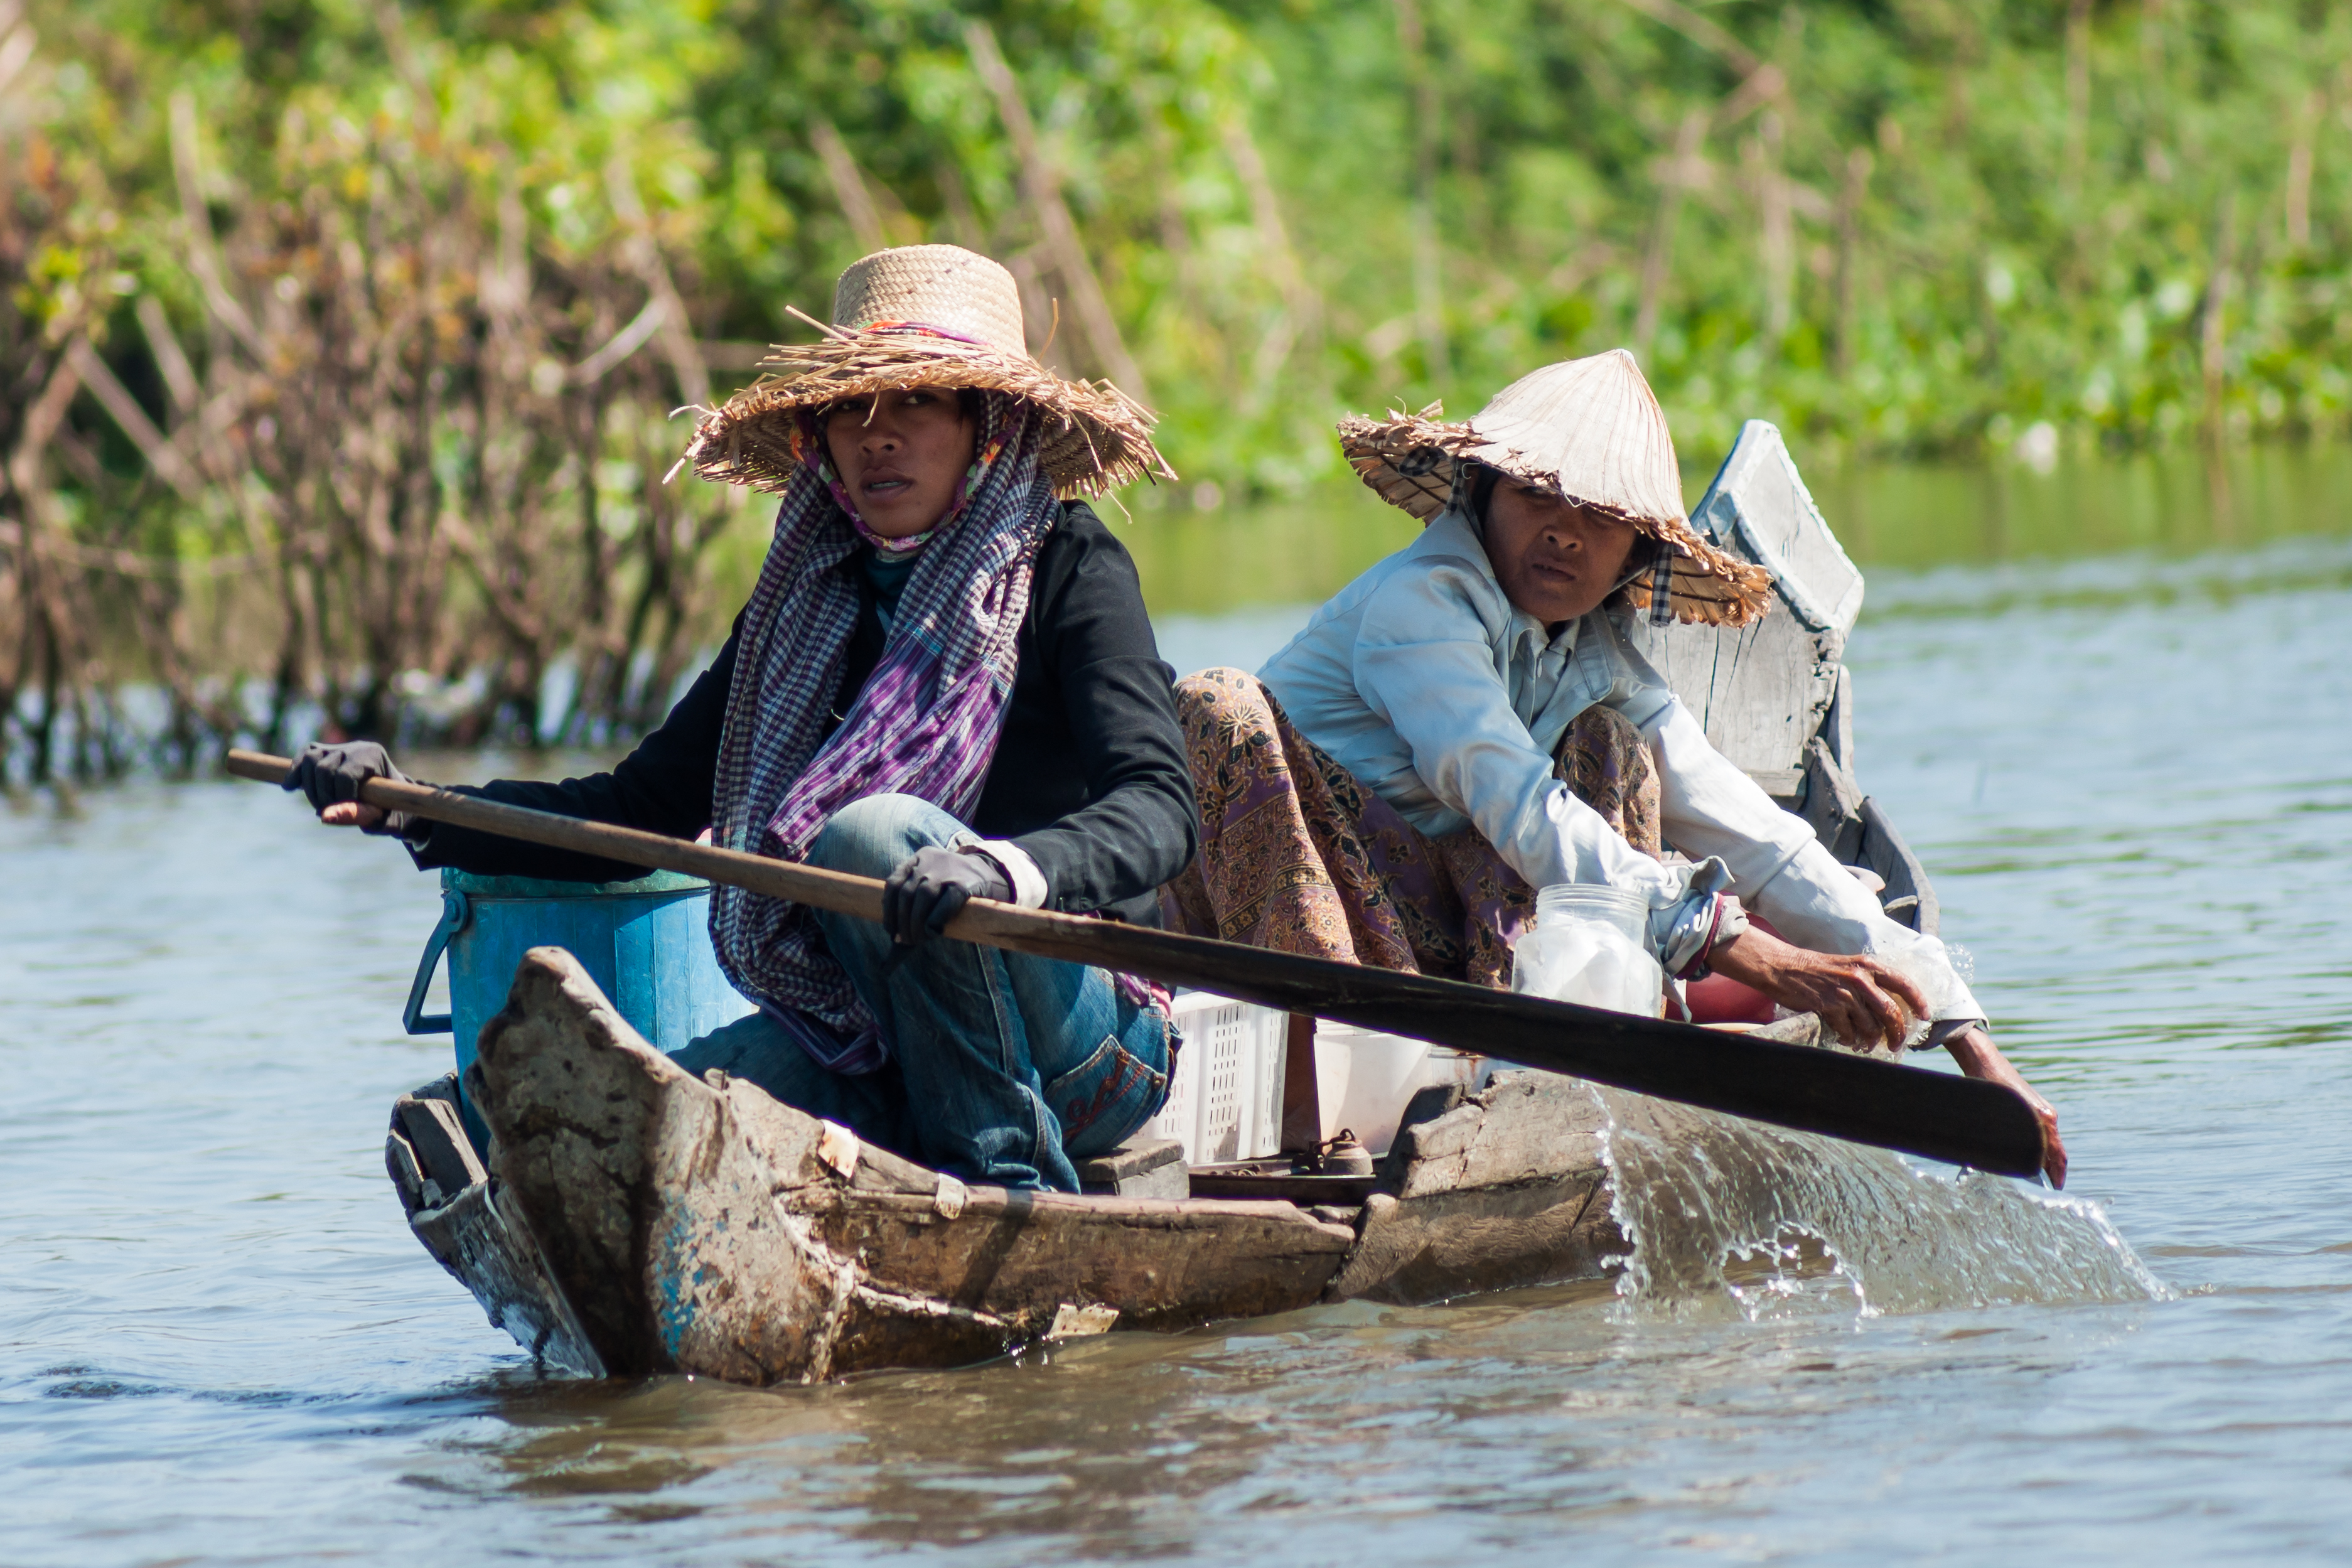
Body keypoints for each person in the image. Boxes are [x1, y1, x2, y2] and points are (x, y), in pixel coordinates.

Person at [284, 244, 1196, 1193]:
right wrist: (414, 802)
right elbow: (637, 810)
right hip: (875, 1035)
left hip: (1087, 1044)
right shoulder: (804, 603)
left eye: (919, 402)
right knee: (602, 1120)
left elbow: (1160, 807)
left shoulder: (1070, 567)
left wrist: (1000, 869)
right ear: (823, 440)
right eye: (850, 408)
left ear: (990, 427)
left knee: (871, 833)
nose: (878, 435)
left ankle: (1012, 1186)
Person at [1162, 350, 2067, 1185]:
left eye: (1601, 519)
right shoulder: (1421, 605)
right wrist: (1750, 951)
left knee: (1612, 753)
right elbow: (1517, 804)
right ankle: (1327, 1125)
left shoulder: (1596, 658)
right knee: (1219, 703)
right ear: (1479, 496)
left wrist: (1964, 1032)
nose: (1564, 534)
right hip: (1285, 955)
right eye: (1536, 498)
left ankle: (1569, 1069)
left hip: (1434, 960)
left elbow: (1759, 836)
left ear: (1637, 555)